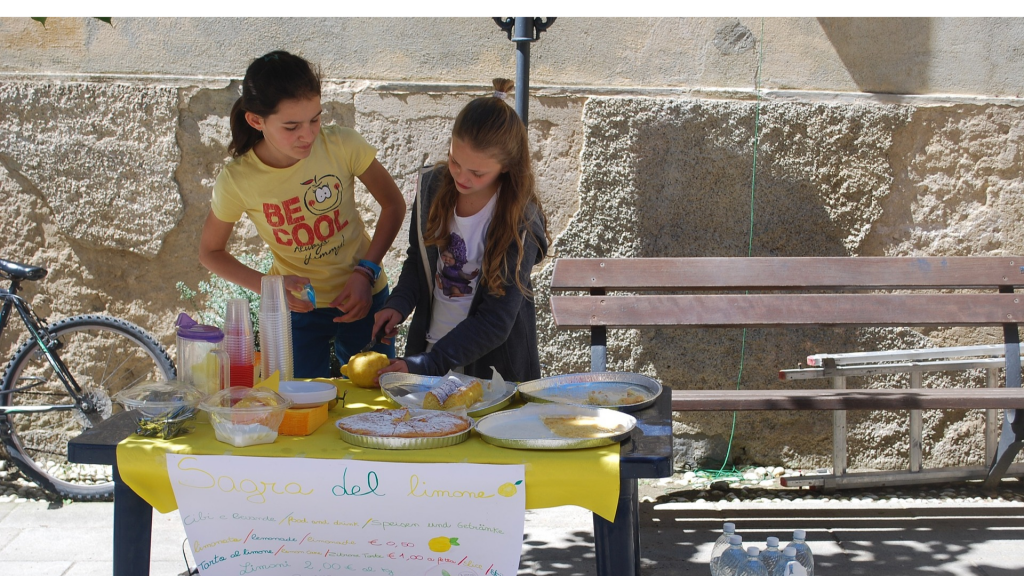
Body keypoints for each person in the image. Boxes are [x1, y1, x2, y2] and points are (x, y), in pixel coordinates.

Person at [199, 50, 405, 378]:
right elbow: (210, 252)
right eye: (292, 126)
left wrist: (365, 272)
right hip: (297, 312)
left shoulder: (342, 145)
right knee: (298, 409)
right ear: (256, 120)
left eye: (315, 119)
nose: (307, 135)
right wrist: (271, 287)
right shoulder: (237, 180)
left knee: (374, 405)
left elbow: (394, 205)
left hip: (364, 298)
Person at [373, 78, 549, 382]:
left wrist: (429, 363)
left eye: (477, 172)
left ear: (506, 166)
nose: (461, 177)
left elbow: (496, 320)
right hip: (429, 354)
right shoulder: (431, 187)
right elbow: (419, 261)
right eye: (455, 161)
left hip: (494, 374)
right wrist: (399, 304)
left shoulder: (521, 219)